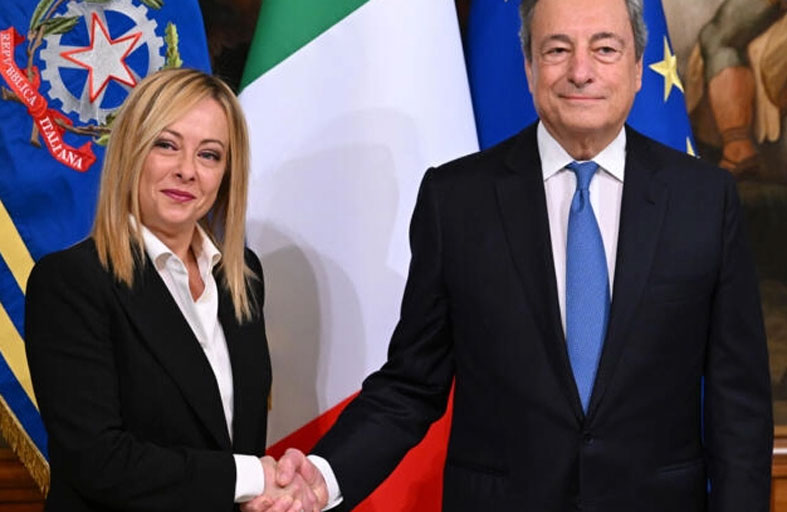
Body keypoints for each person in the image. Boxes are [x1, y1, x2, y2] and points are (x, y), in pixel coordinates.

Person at [248, 0, 774, 510]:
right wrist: (326, 478)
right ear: (528, 67)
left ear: (638, 67)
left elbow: (739, 406)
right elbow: (412, 384)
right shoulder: (457, 201)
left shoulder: (705, 200)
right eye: (557, 50)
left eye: (605, 49)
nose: (581, 72)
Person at [24, 68, 318, 512]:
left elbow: (233, 436)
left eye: (209, 155)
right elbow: (98, 461)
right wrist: (255, 477)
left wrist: (268, 493)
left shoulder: (242, 278)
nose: (187, 171)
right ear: (132, 151)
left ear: (227, 173)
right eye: (166, 145)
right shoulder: (71, 282)